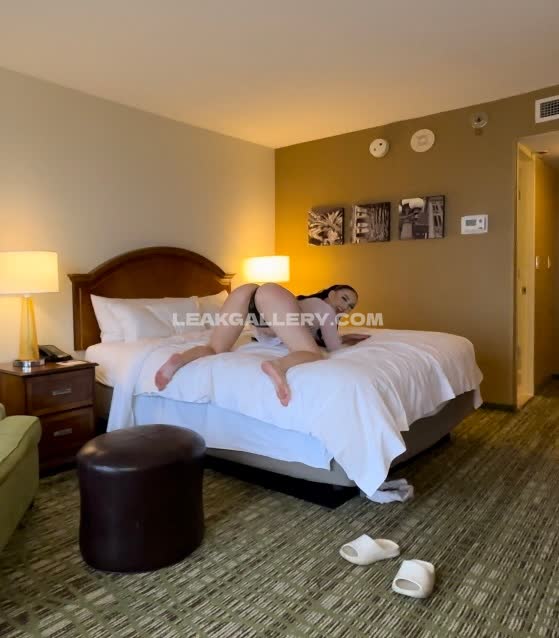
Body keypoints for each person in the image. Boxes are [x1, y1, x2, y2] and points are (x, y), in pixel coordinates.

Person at [154, 283, 368, 405]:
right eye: (344, 298)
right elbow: (333, 347)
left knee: (214, 348)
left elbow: (285, 330)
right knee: (310, 353)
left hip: (246, 292)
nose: (346, 307)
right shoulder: (326, 310)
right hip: (271, 296)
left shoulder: (310, 304)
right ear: (331, 293)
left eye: (351, 306)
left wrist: (341, 336)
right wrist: (346, 342)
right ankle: (278, 366)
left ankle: (180, 359)